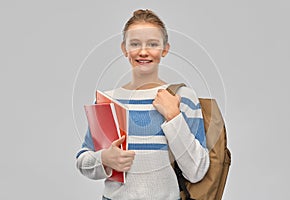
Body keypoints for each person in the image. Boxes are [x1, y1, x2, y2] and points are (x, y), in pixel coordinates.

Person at [76, 9, 210, 200]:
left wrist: (173, 117)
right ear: (124, 49)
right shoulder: (108, 101)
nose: (143, 51)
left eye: (153, 44)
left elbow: (197, 171)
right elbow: (82, 160)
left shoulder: (182, 97)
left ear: (165, 49)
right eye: (135, 44)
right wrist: (105, 159)